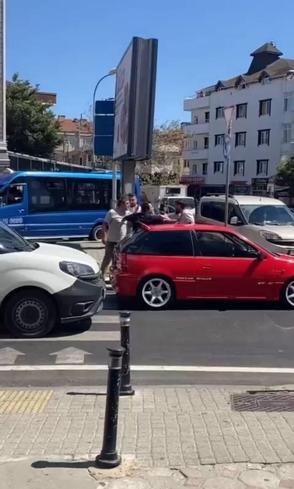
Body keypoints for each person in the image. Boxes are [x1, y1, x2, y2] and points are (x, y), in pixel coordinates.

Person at [100, 197, 130, 279]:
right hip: (111, 240)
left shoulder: (128, 213)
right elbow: (104, 225)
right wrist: (104, 237)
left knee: (118, 260)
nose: (129, 205)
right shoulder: (112, 212)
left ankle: (114, 277)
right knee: (107, 258)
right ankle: (101, 275)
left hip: (122, 242)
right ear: (121, 204)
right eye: (127, 203)